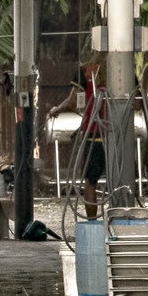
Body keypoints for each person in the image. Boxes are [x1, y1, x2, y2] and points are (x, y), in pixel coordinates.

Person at [48, 60, 106, 219]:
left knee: (90, 182)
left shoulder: (85, 72)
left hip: (95, 134)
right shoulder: (124, 68)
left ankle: (92, 224)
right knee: (120, 179)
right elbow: (136, 103)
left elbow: (72, 101)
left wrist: (56, 110)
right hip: (118, 135)